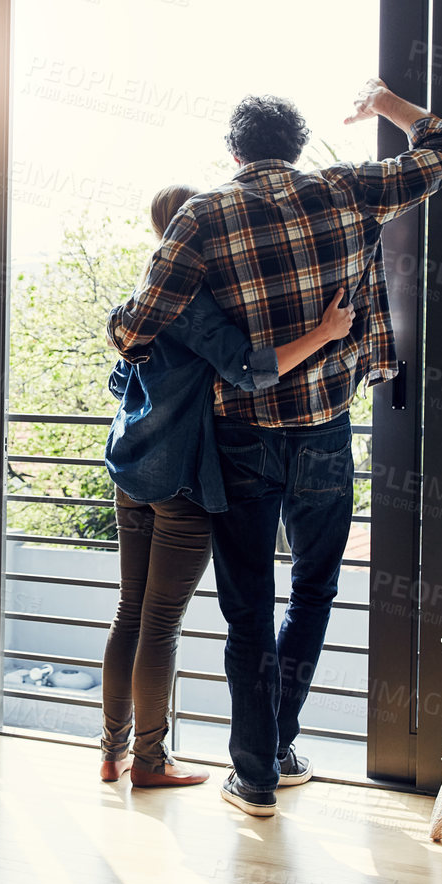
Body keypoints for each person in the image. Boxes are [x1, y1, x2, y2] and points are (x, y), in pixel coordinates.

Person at [106, 78, 442, 817]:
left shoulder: (204, 216)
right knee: (314, 591)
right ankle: (277, 747)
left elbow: (134, 328)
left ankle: (257, 778)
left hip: (242, 436)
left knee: (248, 608)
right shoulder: (347, 190)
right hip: (327, 431)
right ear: (296, 147)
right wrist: (388, 106)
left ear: (234, 151)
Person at [100, 184, 354, 788]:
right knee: (160, 621)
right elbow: (247, 368)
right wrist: (325, 332)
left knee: (129, 611)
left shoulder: (145, 296)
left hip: (131, 466)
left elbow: (120, 379)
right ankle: (151, 762)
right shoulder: (196, 301)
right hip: (182, 477)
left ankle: (112, 751)